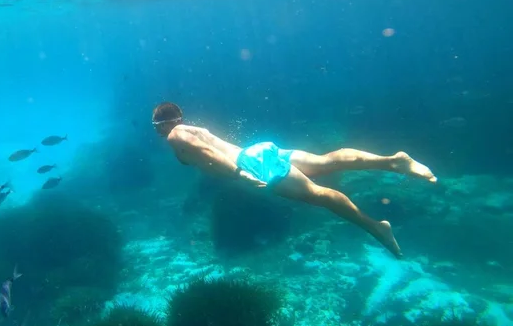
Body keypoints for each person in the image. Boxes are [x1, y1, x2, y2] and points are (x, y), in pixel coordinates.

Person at [152, 102, 437, 258]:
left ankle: (377, 227)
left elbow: (207, 153)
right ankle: (393, 161)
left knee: (320, 194)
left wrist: (242, 174)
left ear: (163, 124)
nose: (158, 132)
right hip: (259, 151)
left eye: (156, 127)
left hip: (250, 164)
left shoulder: (175, 136)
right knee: (327, 161)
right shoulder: (192, 127)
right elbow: (209, 147)